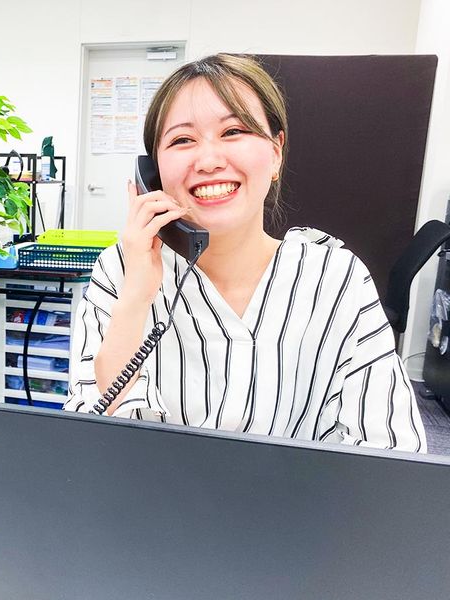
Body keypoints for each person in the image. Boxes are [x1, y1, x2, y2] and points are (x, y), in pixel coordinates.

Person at [64, 53, 426, 452]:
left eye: (233, 131)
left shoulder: (335, 278)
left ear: (276, 153)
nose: (209, 161)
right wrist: (136, 296)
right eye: (182, 140)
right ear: (153, 172)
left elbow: (392, 448)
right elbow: (91, 433)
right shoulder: (122, 268)